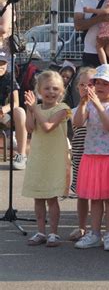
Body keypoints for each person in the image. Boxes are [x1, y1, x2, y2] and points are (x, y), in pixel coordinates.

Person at [73, 64, 109, 251]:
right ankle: (95, 234)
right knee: (95, 199)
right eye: (98, 82)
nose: (100, 86)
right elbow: (78, 123)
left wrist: (96, 104)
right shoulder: (88, 104)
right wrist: (82, 103)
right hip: (91, 156)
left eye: (106, 83)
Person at [22, 71, 71, 247]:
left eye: (55, 88)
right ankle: (41, 231)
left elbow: (48, 126)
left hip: (55, 159)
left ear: (62, 91)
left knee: (52, 198)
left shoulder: (63, 108)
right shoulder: (37, 108)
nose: (51, 91)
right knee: (39, 197)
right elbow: (30, 128)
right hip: (38, 157)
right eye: (47, 88)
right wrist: (30, 110)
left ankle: (53, 233)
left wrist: (35, 109)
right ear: (39, 90)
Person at [69, 67, 96, 242]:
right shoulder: (75, 109)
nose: (86, 88)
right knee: (82, 194)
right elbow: (78, 123)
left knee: (97, 195)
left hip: (96, 156)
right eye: (82, 85)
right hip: (79, 155)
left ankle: (96, 229)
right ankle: (81, 226)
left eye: (91, 84)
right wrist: (83, 103)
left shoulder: (102, 108)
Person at [0, 49, 28, 170]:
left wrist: (2, 111)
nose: (1, 66)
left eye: (3, 63)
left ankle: (21, 155)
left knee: (20, 112)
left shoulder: (9, 78)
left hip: (5, 112)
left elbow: (16, 102)